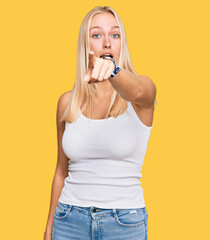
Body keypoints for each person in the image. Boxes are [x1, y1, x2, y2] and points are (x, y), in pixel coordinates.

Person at [44, 6, 157, 240]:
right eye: (96, 35)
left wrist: (114, 71)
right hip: (68, 220)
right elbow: (61, 171)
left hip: (124, 223)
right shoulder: (67, 102)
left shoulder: (142, 94)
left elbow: (135, 89)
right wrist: (48, 229)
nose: (107, 43)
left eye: (115, 35)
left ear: (121, 44)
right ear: (86, 46)